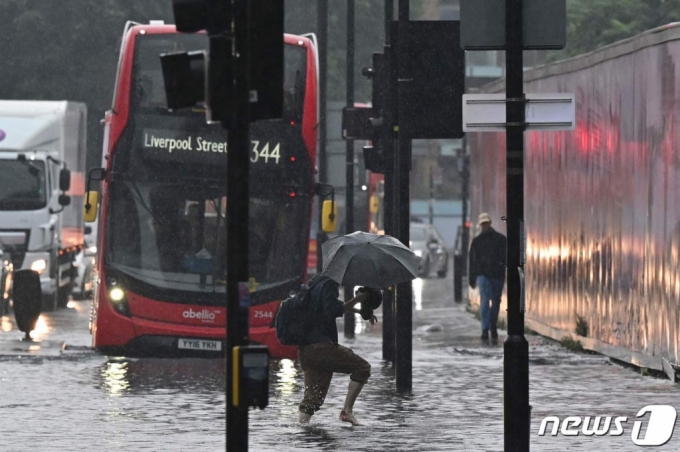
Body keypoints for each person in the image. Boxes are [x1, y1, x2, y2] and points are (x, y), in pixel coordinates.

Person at [297, 274, 380, 426]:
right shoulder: (330, 284)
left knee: (311, 400)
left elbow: (324, 308)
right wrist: (359, 300)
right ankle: (347, 412)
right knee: (362, 368)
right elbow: (332, 310)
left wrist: (358, 310)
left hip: (306, 348)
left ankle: (302, 433)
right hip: (321, 346)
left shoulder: (316, 281)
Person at [469, 213, 507, 346]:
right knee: (486, 301)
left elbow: (473, 261)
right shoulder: (481, 241)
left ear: (489, 223)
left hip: (495, 275)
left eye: (486, 223)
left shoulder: (498, 240)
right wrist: (472, 278)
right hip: (486, 275)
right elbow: (472, 261)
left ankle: (491, 325)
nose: (485, 226)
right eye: (483, 224)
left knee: (495, 301)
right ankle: (486, 328)